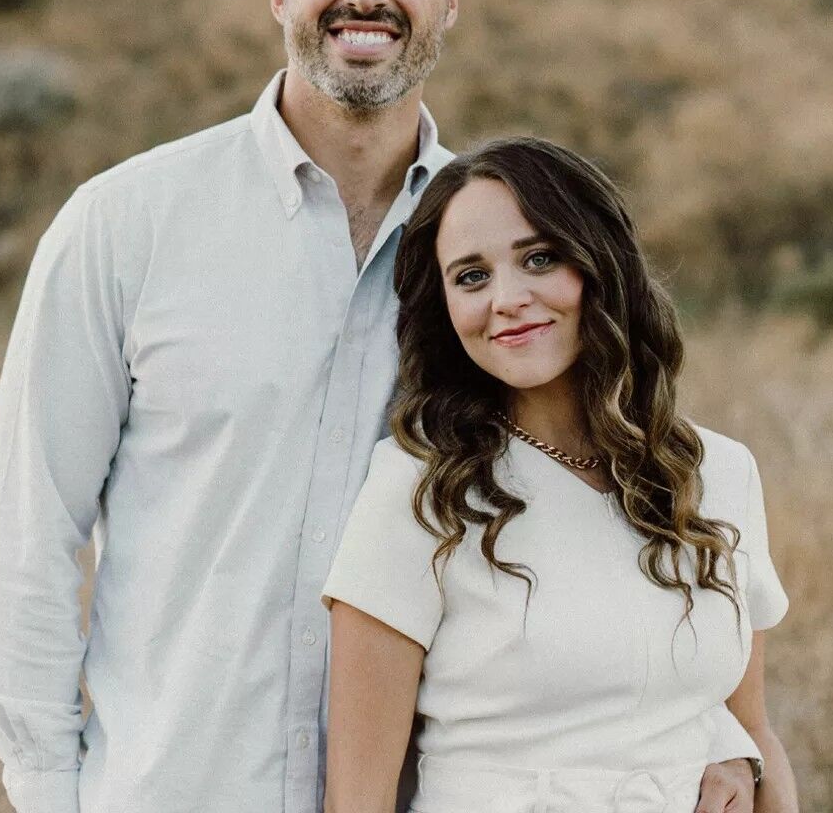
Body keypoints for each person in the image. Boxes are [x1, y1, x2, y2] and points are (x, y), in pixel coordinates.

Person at [0, 0, 754, 813]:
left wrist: (711, 735)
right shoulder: (126, 226)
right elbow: (28, 539)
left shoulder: (505, 259)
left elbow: (606, 516)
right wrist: (50, 791)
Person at [320, 137, 799, 813]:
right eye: (471, 276)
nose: (508, 299)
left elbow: (753, 733)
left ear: (600, 265)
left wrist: (739, 762)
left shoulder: (716, 473)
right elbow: (359, 798)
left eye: (539, 259)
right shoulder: (420, 489)